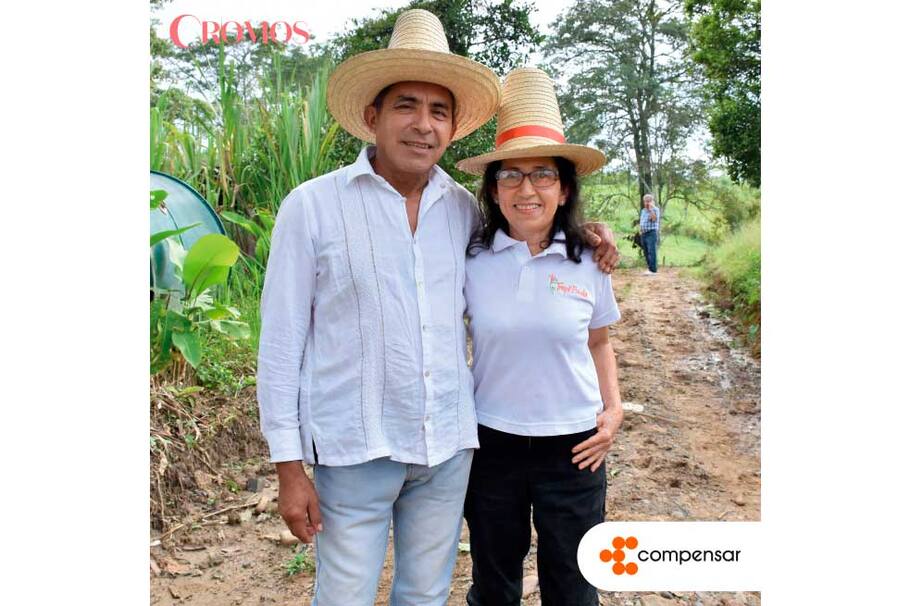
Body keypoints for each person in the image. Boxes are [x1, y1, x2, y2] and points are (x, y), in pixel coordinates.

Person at [256, 11, 619, 606]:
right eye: (406, 106)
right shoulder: (312, 208)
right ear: (372, 117)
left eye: (439, 111)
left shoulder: (462, 213)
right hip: (355, 447)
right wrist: (288, 465)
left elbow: (534, 239)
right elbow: (281, 343)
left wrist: (591, 239)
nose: (423, 125)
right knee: (343, 595)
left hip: (448, 449)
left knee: (425, 594)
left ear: (452, 129)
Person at [455, 67, 623, 606]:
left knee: (573, 588)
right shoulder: (469, 255)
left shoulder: (590, 260)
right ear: (493, 188)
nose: (527, 189)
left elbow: (599, 342)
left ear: (565, 187)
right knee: (494, 583)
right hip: (491, 443)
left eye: (543, 174)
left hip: (575, 447)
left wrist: (614, 410)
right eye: (511, 175)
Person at [640, 193, 660, 274]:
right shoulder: (643, 211)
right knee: (646, 251)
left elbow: (654, 219)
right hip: (644, 233)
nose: (647, 203)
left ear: (652, 201)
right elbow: (642, 221)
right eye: (645, 201)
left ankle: (653, 270)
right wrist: (640, 231)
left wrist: (651, 209)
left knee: (652, 251)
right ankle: (649, 268)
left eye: (649, 201)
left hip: (651, 233)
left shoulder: (655, 210)